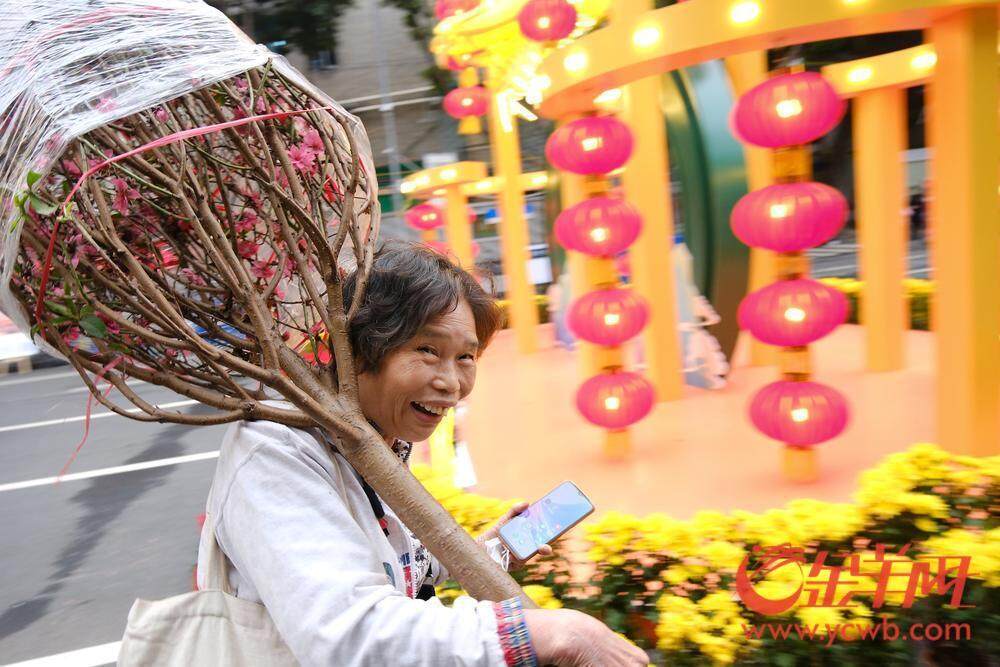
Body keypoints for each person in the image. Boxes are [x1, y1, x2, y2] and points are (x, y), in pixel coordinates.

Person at [197, 242, 648, 666]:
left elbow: (397, 564)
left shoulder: (378, 438)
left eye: (466, 357)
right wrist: (546, 634)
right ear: (357, 350)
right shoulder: (275, 450)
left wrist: (494, 548)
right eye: (428, 351)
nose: (451, 383)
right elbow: (348, 634)